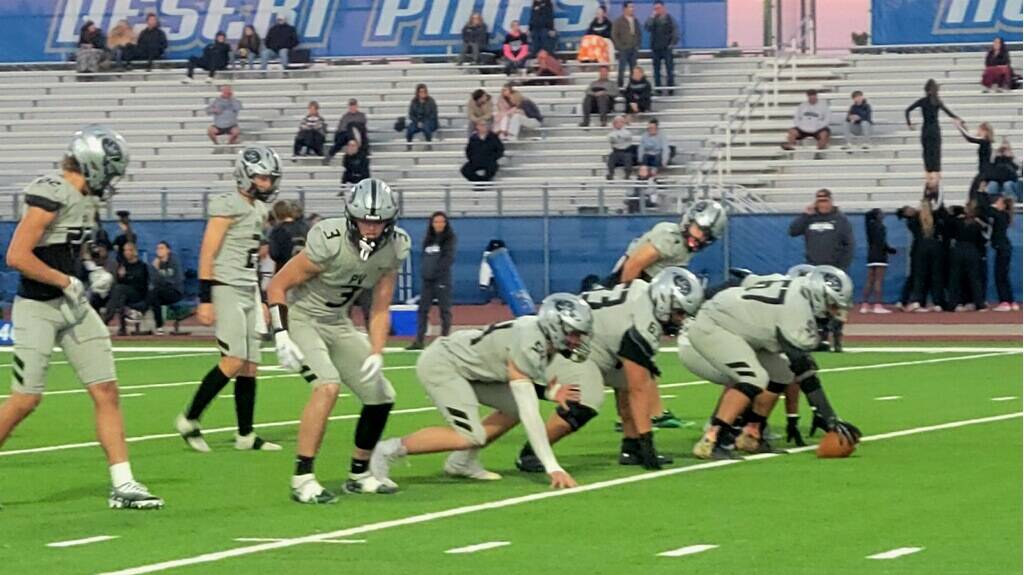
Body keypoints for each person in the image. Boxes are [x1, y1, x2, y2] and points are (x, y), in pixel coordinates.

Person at [0, 125, 162, 509]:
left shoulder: (84, 198)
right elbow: (17, 256)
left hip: (72, 307)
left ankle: (123, 484)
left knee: (106, 390)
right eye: (110, 170)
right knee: (25, 400)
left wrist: (90, 270)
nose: (111, 180)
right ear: (93, 164)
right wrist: (64, 280)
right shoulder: (51, 192)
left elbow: (70, 247)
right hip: (38, 307)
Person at [268, 178, 411, 503]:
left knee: (381, 394)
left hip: (338, 321)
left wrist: (377, 351)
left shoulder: (396, 246)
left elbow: (379, 307)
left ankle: (359, 473)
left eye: (378, 222)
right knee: (327, 385)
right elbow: (276, 286)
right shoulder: (329, 240)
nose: (371, 229)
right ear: (351, 217)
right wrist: (280, 334)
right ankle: (302, 478)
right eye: (364, 221)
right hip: (304, 318)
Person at [369, 294, 593, 491]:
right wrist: (552, 467)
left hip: (474, 369)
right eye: (573, 333)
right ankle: (385, 450)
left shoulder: (538, 335)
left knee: (512, 409)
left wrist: (549, 392)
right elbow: (530, 412)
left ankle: (461, 463)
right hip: (445, 364)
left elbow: (516, 377)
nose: (577, 340)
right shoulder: (530, 342)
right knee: (470, 435)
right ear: (555, 325)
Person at [514, 268, 704, 475]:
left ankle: (632, 448)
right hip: (570, 346)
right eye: (679, 312)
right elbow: (637, 388)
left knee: (637, 375)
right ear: (665, 301)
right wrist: (648, 440)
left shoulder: (644, 293)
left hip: (597, 344)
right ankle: (532, 452)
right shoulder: (642, 322)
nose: (681, 319)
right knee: (587, 400)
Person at [175, 146, 283, 454]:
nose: (267, 183)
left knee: (250, 365)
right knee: (234, 360)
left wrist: (261, 296)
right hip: (225, 286)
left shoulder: (259, 209)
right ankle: (189, 418)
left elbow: (251, 258)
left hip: (247, 286)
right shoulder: (226, 204)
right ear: (245, 176)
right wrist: (205, 297)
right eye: (262, 177)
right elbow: (208, 251)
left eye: (269, 178)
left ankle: (246, 435)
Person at [690, 266, 860, 459]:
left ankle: (751, 433)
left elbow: (747, 280)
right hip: (715, 325)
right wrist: (830, 419)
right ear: (819, 296)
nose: (835, 312)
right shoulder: (796, 311)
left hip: (741, 330)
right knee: (754, 377)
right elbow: (804, 372)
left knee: (783, 373)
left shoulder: (794, 284)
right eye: (833, 305)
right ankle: (713, 439)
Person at [608, 200, 728, 428]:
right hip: (628, 287)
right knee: (635, 356)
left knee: (640, 356)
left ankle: (646, 413)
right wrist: (627, 299)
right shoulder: (669, 236)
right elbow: (633, 266)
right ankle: (636, 415)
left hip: (638, 291)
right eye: (698, 230)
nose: (699, 238)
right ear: (688, 221)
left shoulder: (682, 246)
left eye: (706, 235)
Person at [787, 188, 855, 350]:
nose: (822, 204)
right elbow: (793, 231)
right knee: (816, 306)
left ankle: (837, 337)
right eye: (819, 201)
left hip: (834, 269)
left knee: (837, 305)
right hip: (814, 269)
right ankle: (821, 337)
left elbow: (849, 244)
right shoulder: (810, 218)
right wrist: (805, 215)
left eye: (825, 201)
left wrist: (842, 268)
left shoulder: (840, 220)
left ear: (831, 201)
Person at [409, 212, 457, 350]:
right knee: (422, 310)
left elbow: (448, 259)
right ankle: (419, 340)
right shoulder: (428, 240)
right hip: (427, 281)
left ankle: (444, 340)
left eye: (441, 222)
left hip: (442, 279)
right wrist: (426, 273)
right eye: (436, 222)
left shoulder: (449, 239)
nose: (439, 225)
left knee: (444, 310)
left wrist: (437, 273)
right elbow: (424, 258)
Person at [906, 79, 963, 191]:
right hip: (935, 130)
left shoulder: (922, 101)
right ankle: (937, 183)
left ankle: (928, 182)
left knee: (927, 154)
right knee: (936, 153)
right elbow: (948, 112)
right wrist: (958, 118)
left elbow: (907, 110)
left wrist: (909, 124)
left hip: (925, 129)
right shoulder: (937, 101)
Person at [906, 192, 948, 312]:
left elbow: (911, 226)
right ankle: (937, 302)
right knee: (936, 275)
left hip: (921, 247)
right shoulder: (936, 217)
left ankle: (918, 301)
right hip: (935, 247)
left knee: (920, 276)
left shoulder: (915, 220)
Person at [947, 201, 987, 312]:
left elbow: (950, 233)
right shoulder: (977, 224)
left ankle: (953, 304)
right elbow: (982, 240)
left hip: (958, 249)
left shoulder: (957, 221)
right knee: (975, 279)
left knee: (955, 278)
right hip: (972, 250)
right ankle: (979, 303)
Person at [102, 242, 149, 335]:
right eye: (125, 250)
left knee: (119, 290)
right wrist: (121, 277)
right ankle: (122, 329)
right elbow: (120, 281)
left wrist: (125, 276)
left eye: (128, 250)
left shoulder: (141, 266)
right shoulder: (123, 265)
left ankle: (106, 319)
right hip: (124, 293)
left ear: (134, 252)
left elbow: (139, 281)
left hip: (138, 293)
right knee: (120, 296)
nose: (126, 252)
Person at [860, 209, 896, 314]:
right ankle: (878, 305)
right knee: (878, 280)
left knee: (869, 280)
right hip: (880, 256)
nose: (883, 215)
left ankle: (864, 305)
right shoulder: (880, 227)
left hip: (871, 255)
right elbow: (882, 243)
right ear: (877, 216)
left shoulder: (869, 226)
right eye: (881, 213)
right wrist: (891, 250)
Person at [147, 241, 184, 335]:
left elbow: (178, 279)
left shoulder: (174, 261)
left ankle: (141, 310)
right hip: (160, 293)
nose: (159, 250)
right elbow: (154, 281)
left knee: (154, 293)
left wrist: (160, 275)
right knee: (154, 295)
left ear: (168, 250)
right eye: (157, 248)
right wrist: (155, 269)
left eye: (162, 248)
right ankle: (159, 327)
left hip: (175, 292)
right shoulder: (155, 263)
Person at [988, 195, 1017, 311]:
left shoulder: (1001, 215)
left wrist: (981, 193)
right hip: (1004, 247)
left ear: (1004, 205)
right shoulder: (1003, 215)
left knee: (1000, 275)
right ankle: (1011, 300)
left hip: (1002, 248)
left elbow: (988, 209)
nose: (996, 204)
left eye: (999, 202)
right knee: (1004, 275)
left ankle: (1004, 301)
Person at [782, 89, 831, 155]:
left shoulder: (823, 106)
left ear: (816, 96)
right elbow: (796, 118)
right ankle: (791, 145)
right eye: (810, 97)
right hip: (803, 128)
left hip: (818, 128)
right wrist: (801, 126)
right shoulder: (802, 105)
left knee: (824, 133)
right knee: (791, 131)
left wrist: (818, 126)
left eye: (813, 96)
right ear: (807, 97)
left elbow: (827, 120)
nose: (812, 98)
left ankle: (820, 150)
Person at [645, 1, 678, 92]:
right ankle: (658, 89)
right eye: (655, 9)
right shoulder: (653, 19)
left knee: (669, 69)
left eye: (658, 8)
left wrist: (672, 44)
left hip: (667, 48)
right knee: (656, 70)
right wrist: (651, 17)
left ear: (663, 8)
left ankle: (671, 89)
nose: (657, 10)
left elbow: (675, 32)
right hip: (655, 48)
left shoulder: (670, 19)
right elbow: (647, 28)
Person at [957, 121, 994, 202]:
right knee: (976, 193)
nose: (978, 131)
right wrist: (963, 127)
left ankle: (975, 210)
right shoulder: (986, 142)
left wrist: (959, 126)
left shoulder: (985, 141)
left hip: (984, 173)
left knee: (973, 194)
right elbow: (970, 136)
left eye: (979, 130)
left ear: (985, 131)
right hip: (984, 172)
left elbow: (969, 138)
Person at [268, 200, 309, 271]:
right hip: (304, 269)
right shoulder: (304, 227)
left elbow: (274, 254)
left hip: (284, 269)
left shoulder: (277, 230)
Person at [325, 98, 369, 164]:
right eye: (351, 105)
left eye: (354, 105)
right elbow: (341, 128)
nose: (352, 107)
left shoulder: (361, 115)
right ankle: (330, 155)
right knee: (344, 135)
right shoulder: (345, 116)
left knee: (353, 126)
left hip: (358, 136)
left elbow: (362, 127)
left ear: (356, 106)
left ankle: (362, 155)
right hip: (347, 136)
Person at [612, 2, 641, 88]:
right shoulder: (618, 21)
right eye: (630, 7)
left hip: (634, 48)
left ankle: (632, 87)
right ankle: (620, 87)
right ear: (624, 9)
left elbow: (639, 33)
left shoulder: (635, 20)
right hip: (624, 49)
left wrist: (638, 45)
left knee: (633, 70)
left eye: (633, 7)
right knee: (622, 70)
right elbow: (614, 34)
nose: (632, 9)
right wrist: (620, 46)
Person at [606, 115, 633, 180]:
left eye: (620, 122)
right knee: (611, 158)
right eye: (616, 122)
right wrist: (619, 139)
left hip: (625, 151)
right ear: (614, 124)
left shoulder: (627, 132)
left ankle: (627, 175)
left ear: (623, 123)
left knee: (628, 158)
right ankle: (611, 174)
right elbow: (611, 140)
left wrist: (617, 139)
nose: (618, 124)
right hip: (616, 151)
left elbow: (626, 138)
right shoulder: (611, 133)